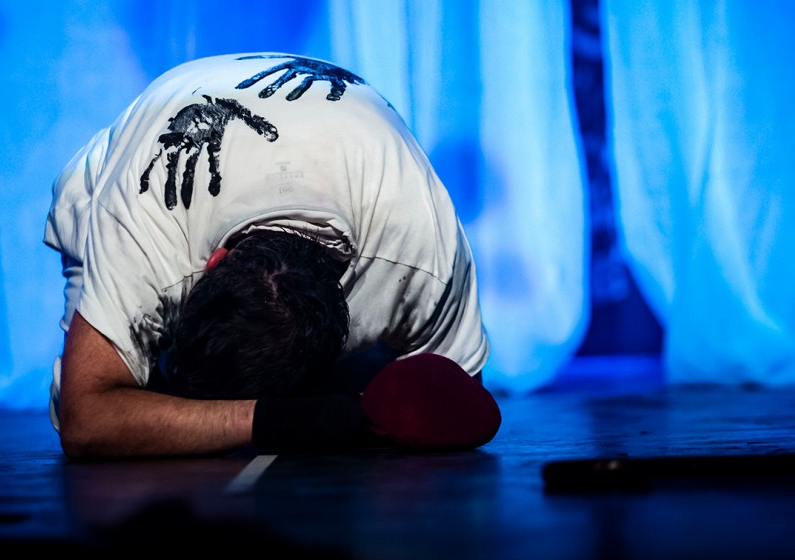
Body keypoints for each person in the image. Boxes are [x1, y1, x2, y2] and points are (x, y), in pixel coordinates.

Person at [44, 52, 496, 459]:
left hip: (350, 146)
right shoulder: (141, 231)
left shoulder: (421, 248)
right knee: (130, 409)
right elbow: (87, 421)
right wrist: (272, 420)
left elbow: (458, 403)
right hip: (120, 170)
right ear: (212, 262)